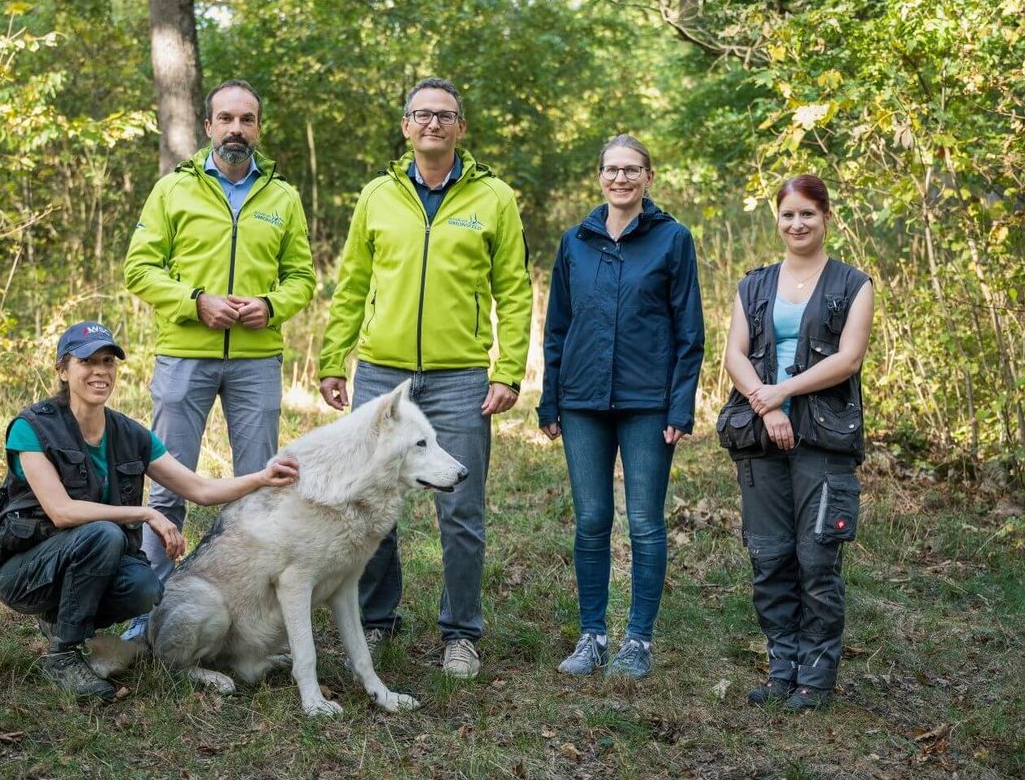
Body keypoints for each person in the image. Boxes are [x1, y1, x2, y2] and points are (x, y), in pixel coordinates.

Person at [317, 77, 533, 679]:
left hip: (460, 376)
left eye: (445, 115)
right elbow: (352, 284)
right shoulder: (377, 196)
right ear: (406, 127)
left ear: (461, 128)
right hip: (382, 373)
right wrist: (335, 359)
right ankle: (378, 620)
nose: (433, 124)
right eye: (421, 115)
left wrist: (509, 369)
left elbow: (513, 291)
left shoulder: (494, 198)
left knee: (460, 509)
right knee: (373, 502)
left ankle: (461, 633)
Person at [0, 321, 299, 699]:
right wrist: (144, 513)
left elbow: (200, 489)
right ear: (63, 369)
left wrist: (262, 476)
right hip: (22, 569)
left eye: (108, 361)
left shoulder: (130, 434)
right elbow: (60, 512)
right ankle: (63, 656)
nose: (100, 371)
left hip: (79, 558)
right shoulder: (31, 428)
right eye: (87, 361)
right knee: (104, 533)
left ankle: (61, 624)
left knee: (144, 588)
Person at [123, 79, 316, 640]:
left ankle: (251, 615)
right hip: (185, 355)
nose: (236, 129)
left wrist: (272, 305)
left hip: (256, 362)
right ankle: (148, 611)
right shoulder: (173, 190)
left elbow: (302, 277)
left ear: (259, 128)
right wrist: (194, 302)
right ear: (207, 127)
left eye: (247, 119)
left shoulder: (282, 197)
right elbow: (140, 268)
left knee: (262, 489)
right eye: (225, 119)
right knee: (166, 485)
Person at [538, 135, 705, 680]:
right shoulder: (575, 241)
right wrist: (550, 398)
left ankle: (638, 640)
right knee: (591, 520)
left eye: (632, 170)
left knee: (645, 523)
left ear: (649, 177)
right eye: (612, 170)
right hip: (583, 399)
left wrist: (681, 407)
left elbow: (690, 333)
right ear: (600, 176)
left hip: (647, 403)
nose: (621, 179)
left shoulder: (673, 240)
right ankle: (592, 636)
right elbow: (557, 327)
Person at [718, 174, 874, 711]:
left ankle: (817, 675)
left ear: (826, 217)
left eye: (808, 213)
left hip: (823, 439)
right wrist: (766, 403)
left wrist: (780, 394)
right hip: (759, 436)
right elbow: (734, 354)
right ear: (777, 220)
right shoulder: (754, 285)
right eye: (788, 215)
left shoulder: (853, 284)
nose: (797, 223)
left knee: (817, 559)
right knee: (769, 557)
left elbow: (847, 359)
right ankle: (781, 666)